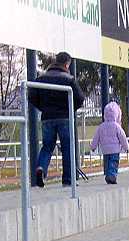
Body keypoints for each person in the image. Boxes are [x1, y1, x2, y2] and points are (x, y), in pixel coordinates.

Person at [30, 52, 85, 187]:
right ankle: (68, 180)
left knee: (47, 146)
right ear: (67, 64)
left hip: (47, 117)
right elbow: (80, 98)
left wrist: (43, 107)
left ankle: (41, 168)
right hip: (65, 117)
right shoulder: (69, 79)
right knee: (67, 147)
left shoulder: (41, 78)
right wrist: (70, 109)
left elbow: (31, 96)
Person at [90, 102, 129, 185]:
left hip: (105, 150)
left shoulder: (101, 126)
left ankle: (108, 175)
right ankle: (111, 176)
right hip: (115, 150)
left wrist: (93, 147)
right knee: (113, 163)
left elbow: (96, 137)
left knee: (107, 163)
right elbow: (123, 137)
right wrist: (126, 147)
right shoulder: (117, 126)